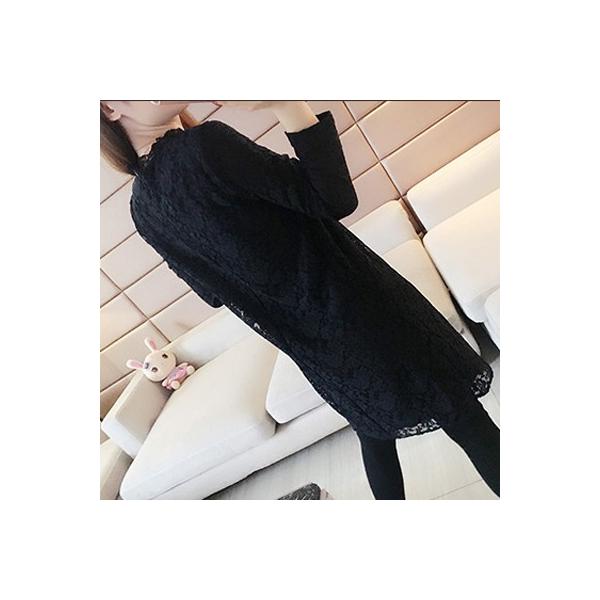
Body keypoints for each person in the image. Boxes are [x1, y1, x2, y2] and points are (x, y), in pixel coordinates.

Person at [100, 100, 500, 500]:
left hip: (313, 347)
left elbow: (212, 294)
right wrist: (288, 103)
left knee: (374, 431)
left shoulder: (142, 209)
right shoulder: (204, 147)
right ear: (110, 108)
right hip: (365, 306)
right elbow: (333, 198)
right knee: (465, 417)